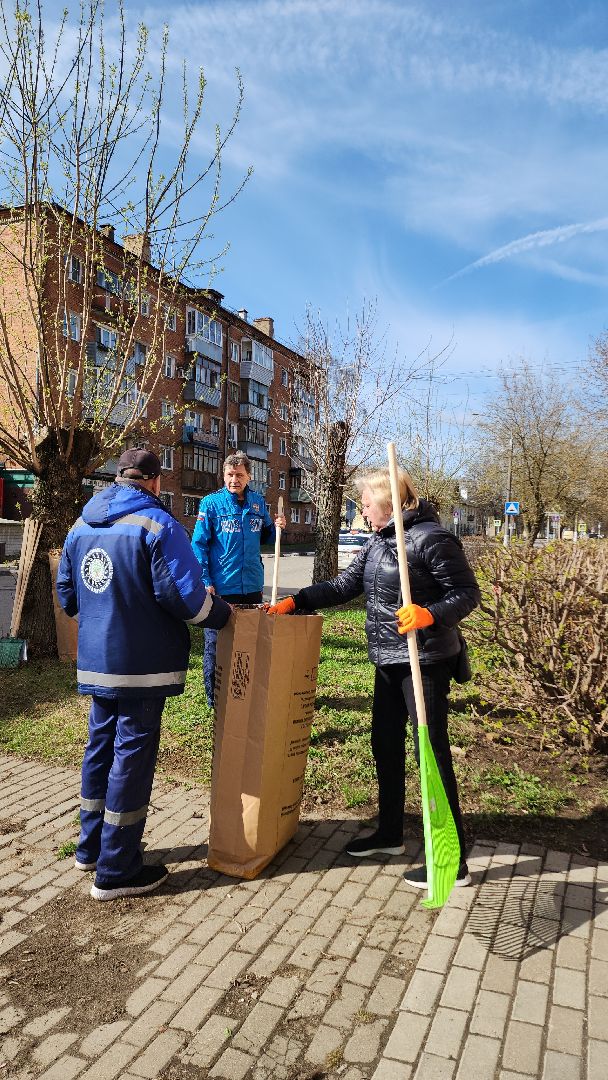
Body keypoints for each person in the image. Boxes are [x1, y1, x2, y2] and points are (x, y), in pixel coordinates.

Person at [267, 467, 480, 888]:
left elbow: (466, 593)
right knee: (385, 744)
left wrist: (429, 614)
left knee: (431, 752)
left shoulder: (431, 539)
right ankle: (390, 833)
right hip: (388, 661)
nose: (362, 511)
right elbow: (344, 585)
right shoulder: (379, 541)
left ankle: (451, 860)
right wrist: (297, 601)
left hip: (424, 660)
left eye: (366, 504)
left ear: (388, 502)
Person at [56, 448, 231, 901]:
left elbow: (68, 595)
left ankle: (91, 848)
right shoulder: (158, 525)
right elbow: (186, 598)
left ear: (118, 477)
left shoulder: (81, 524)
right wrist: (224, 616)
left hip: (98, 662)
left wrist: (102, 619)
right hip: (143, 666)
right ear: (154, 482)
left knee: (99, 749)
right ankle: (117, 869)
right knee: (131, 758)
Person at [191, 451, 286, 706]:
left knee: (250, 640)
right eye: (230, 475)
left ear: (249, 476)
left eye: (239, 475)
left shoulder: (258, 503)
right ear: (224, 476)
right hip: (222, 587)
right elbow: (198, 545)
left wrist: (277, 526)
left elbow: (267, 536)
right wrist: (205, 580)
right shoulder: (211, 504)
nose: (234, 480)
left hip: (252, 585)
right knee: (216, 643)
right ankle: (214, 698)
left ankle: (244, 692)